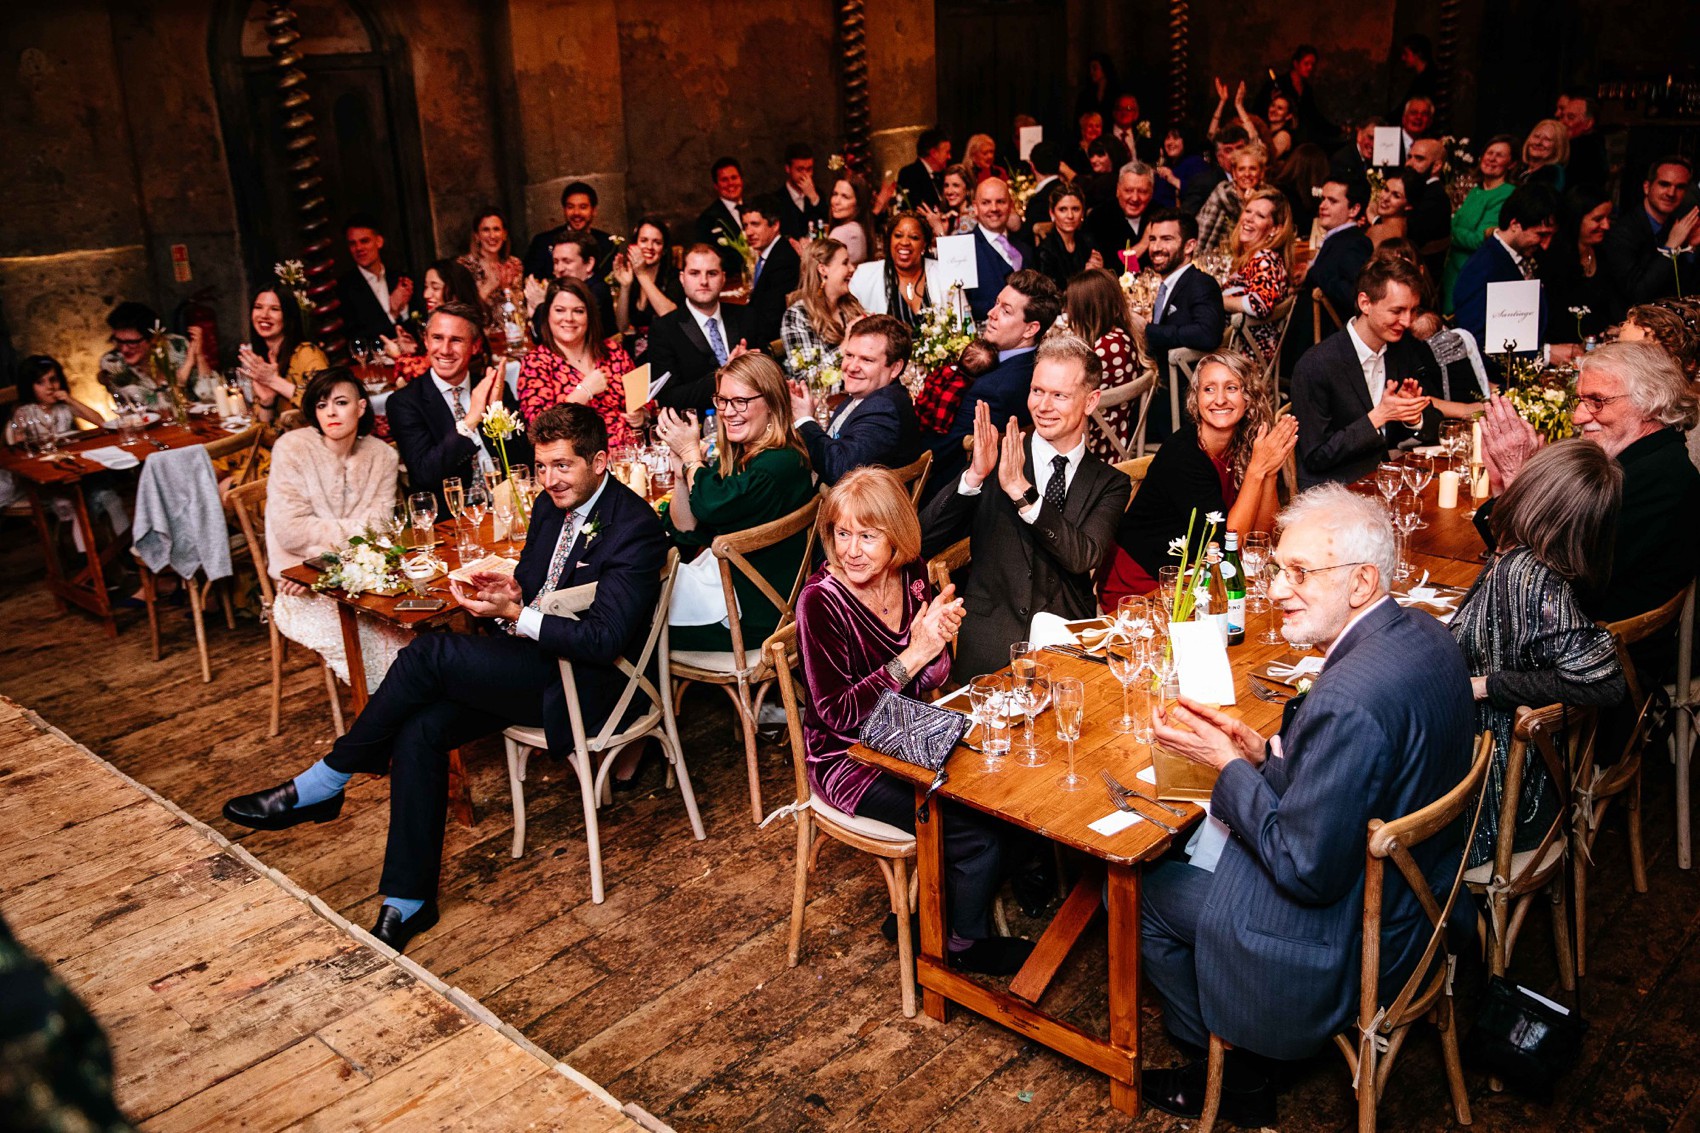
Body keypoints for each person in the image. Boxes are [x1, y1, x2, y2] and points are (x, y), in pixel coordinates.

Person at [222, 404, 669, 953]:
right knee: (420, 730)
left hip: (587, 686)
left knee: (430, 652)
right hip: (532, 665)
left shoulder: (636, 528)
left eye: (562, 466)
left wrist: (515, 616)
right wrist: (507, 597)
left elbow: (604, 640)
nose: (549, 479)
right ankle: (408, 901)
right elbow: (533, 580)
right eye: (542, 467)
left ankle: (329, 778)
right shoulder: (553, 506)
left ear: (600, 461)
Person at [1139, 485, 1474, 1125]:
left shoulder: (1348, 695)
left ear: (1361, 582)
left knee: (1143, 888)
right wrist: (1266, 758)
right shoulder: (1426, 637)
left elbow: (1305, 870)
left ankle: (1231, 1075)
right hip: (1427, 902)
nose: (1275, 591)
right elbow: (1368, 773)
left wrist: (1229, 769)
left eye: (1299, 574)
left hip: (1360, 937)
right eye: (1277, 571)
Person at [796, 467, 1033, 974]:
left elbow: (934, 675)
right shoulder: (820, 602)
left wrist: (935, 645)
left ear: (896, 537)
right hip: (847, 759)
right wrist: (913, 655)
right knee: (977, 836)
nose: (851, 550)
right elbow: (836, 715)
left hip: (911, 731)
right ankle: (959, 944)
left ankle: (925, 912)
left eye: (867, 535)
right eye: (842, 533)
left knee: (1015, 796)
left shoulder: (912, 574)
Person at [1450, 440, 1626, 869]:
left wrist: (1486, 686)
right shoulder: (1546, 562)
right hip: (1520, 782)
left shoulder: (1525, 576)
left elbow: (1606, 680)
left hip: (1485, 802)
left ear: (1535, 492)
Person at [919, 334, 1131, 680]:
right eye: (1037, 391)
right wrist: (973, 477)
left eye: (1059, 395)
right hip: (990, 646)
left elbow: (1083, 557)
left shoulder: (1109, 482)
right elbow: (924, 539)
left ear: (1090, 401)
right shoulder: (996, 457)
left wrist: (1021, 490)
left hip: (1069, 648)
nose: (1043, 407)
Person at [1477, 341, 1700, 624]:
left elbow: (1546, 582)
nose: (1578, 417)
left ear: (1651, 403)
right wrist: (1503, 485)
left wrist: (1520, 481)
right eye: (1580, 400)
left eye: (1598, 401)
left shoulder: (1658, 480)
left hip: (1599, 649)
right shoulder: (1634, 462)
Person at [1099, 351, 1294, 608]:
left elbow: (1259, 537)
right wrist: (1257, 469)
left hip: (1198, 576)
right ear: (1196, 399)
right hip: (1144, 584)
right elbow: (1228, 550)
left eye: (1232, 388)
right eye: (1209, 389)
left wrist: (1269, 471)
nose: (1220, 399)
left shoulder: (1242, 443)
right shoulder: (1183, 456)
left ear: (1248, 398)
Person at [652, 353, 816, 653]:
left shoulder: (779, 464)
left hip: (757, 617)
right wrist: (681, 472)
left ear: (772, 404)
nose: (728, 412)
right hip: (744, 596)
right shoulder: (744, 456)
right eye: (722, 401)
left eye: (740, 401)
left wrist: (692, 455)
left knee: (635, 625)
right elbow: (688, 529)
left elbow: (711, 506)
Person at [264, 368, 407, 690]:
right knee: (372, 646)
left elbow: (381, 530)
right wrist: (319, 565)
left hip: (368, 580)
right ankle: (383, 714)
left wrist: (327, 554)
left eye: (341, 402)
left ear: (361, 407)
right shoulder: (292, 448)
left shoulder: (382, 455)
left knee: (410, 634)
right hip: (303, 584)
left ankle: (406, 710)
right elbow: (290, 530)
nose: (330, 412)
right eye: (321, 404)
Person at [1290, 255, 1435, 487]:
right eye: (1397, 311)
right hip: (1335, 490)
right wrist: (1378, 417)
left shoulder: (1402, 350)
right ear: (1365, 303)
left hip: (1385, 479)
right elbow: (1316, 456)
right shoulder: (1316, 365)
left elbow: (1434, 422)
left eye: (1413, 310)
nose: (1407, 321)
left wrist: (1413, 417)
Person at [385, 301, 533, 515]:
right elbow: (425, 474)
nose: (445, 350)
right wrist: (471, 420)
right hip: (452, 521)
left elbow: (523, 463)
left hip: (509, 509)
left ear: (474, 346)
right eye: (437, 338)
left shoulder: (493, 387)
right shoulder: (405, 402)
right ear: (426, 341)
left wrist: (498, 416)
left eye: (456, 340)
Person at [924, 270, 1060, 495]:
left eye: (1005, 311)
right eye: (996, 303)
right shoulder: (1037, 363)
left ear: (1030, 328)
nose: (991, 313)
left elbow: (940, 452)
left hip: (957, 494)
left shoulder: (991, 390)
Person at [7, 356, 128, 551]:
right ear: (30, 386)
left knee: (110, 497)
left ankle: (126, 552)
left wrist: (70, 399)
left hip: (75, 469)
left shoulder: (64, 407)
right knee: (73, 505)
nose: (50, 387)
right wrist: (21, 435)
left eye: (53, 380)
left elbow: (100, 421)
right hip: (49, 475)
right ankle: (87, 560)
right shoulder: (25, 412)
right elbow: (16, 443)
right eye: (40, 383)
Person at [1127, 210, 1226, 437]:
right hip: (1164, 386)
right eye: (1152, 239)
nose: (1156, 247)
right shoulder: (1170, 284)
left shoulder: (1200, 283)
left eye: (1167, 239)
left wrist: (1147, 330)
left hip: (1177, 401)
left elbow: (1208, 333)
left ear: (1189, 246)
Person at [790, 314, 921, 486]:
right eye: (849, 355)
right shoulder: (867, 395)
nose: (851, 367)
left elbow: (839, 471)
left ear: (895, 368)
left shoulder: (884, 409)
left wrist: (804, 420)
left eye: (867, 359)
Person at [518, 278, 639, 448]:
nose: (569, 318)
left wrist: (642, 415)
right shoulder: (536, 362)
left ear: (589, 315)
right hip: (577, 462)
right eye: (560, 310)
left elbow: (642, 401)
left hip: (629, 455)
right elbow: (539, 429)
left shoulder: (612, 352)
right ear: (547, 314)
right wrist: (585, 391)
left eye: (578, 311)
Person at [1452, 185, 1557, 362]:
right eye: (1540, 234)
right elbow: (1475, 342)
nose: (1546, 245)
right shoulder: (1483, 267)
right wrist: (1544, 354)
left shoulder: (1523, 255)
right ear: (1515, 224)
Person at [648, 244, 750, 413]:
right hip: (699, 429)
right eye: (694, 273)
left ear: (723, 278)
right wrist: (724, 375)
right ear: (682, 278)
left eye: (712, 273)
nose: (703, 281)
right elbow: (667, 397)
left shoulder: (746, 317)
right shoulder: (664, 329)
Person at [1063, 267, 1146, 462]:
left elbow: (1072, 396)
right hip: (1116, 434)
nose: (1068, 313)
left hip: (1098, 446)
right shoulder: (1121, 335)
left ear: (1085, 310)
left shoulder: (1106, 348)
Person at [1598, 156, 1699, 313]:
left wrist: (1690, 247)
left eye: (1680, 187)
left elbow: (1683, 291)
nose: (1671, 193)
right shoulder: (1623, 231)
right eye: (1664, 184)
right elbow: (1638, 293)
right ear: (1647, 187)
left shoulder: (1676, 225)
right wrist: (1670, 248)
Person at [1290, 177, 1373, 358]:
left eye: (1332, 201)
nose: (1323, 206)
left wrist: (1313, 272)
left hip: (1324, 344)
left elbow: (1354, 295)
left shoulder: (1355, 243)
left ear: (1354, 209)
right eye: (1323, 199)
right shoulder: (1338, 238)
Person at [1221, 187, 1295, 369]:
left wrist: (1217, 299)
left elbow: (1259, 303)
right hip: (1238, 356)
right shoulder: (1258, 257)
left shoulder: (1264, 258)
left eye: (1260, 216)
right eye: (1248, 211)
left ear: (1275, 229)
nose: (1248, 218)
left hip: (1241, 363)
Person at [1442, 135, 1518, 312]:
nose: (1491, 158)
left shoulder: (1507, 193)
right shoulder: (1476, 190)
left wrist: (1451, 232)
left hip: (1472, 273)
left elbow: (1481, 238)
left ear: (1512, 164)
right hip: (1452, 272)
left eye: (1499, 155)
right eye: (1489, 152)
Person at [239, 288, 330, 428]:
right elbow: (263, 435)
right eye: (258, 307)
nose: (264, 315)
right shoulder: (262, 362)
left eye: (274, 309)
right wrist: (267, 402)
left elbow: (327, 404)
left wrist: (275, 381)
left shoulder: (307, 353)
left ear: (288, 316)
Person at [780, 237, 866, 379]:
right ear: (823, 269)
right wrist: (845, 346)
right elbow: (809, 380)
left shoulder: (850, 304)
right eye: (845, 263)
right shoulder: (797, 316)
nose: (852, 268)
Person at [849, 212, 949, 329]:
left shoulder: (942, 273)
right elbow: (849, 320)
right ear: (889, 240)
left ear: (924, 244)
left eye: (914, 237)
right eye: (898, 235)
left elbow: (962, 322)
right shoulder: (865, 275)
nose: (905, 242)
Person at [1544, 186, 1617, 345]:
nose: (1606, 226)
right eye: (1598, 219)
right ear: (1576, 218)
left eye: (1608, 218)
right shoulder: (1552, 259)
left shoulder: (1605, 252)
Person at [457, 207, 527, 359]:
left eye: (496, 229)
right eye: (486, 230)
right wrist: (490, 285)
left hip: (512, 339)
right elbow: (464, 311)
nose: (492, 235)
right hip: (481, 342)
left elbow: (520, 310)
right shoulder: (464, 266)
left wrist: (507, 289)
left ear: (504, 234)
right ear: (477, 236)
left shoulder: (513, 264)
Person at [96, 301, 193, 411]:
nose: (124, 349)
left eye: (132, 342)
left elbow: (208, 391)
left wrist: (198, 357)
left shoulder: (177, 345)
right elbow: (160, 408)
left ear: (153, 339)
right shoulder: (113, 363)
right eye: (118, 341)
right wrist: (184, 373)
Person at [610, 215, 682, 361]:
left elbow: (669, 316)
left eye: (657, 242)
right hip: (635, 352)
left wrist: (641, 274)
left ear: (664, 249)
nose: (649, 247)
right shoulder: (632, 276)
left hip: (667, 350)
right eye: (643, 241)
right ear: (634, 245)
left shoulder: (675, 277)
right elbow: (622, 327)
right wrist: (625, 286)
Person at [334, 214, 413, 344]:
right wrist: (392, 314)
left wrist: (403, 309)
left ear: (379, 242)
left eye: (364, 241)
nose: (359, 248)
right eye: (353, 243)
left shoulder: (401, 279)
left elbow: (418, 327)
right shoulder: (343, 288)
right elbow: (355, 339)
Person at [964, 178, 1033, 321]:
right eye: (986, 203)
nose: (994, 208)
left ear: (1010, 205)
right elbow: (957, 305)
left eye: (1000, 201)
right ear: (975, 207)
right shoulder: (962, 247)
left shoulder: (1024, 248)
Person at [522, 181, 614, 283]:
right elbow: (531, 280)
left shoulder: (607, 243)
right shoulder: (542, 241)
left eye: (583, 207)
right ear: (564, 210)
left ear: (594, 210)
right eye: (570, 207)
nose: (576, 213)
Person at [742, 194, 801, 347]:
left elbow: (772, 318)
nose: (748, 232)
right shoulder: (770, 253)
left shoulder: (783, 260)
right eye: (745, 225)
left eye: (755, 224)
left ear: (774, 225)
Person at [540, 232, 618, 341]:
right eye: (556, 262)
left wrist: (541, 304)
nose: (559, 269)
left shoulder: (596, 291)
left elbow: (546, 336)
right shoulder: (568, 290)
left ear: (589, 264)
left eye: (567, 261)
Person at [1197, 144, 1268, 255]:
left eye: (1253, 169)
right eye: (1241, 169)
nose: (1247, 174)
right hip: (1220, 260)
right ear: (1234, 174)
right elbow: (1202, 238)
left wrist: (1253, 202)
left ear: (1261, 173)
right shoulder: (1222, 196)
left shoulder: (1269, 198)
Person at [1088, 162, 1156, 273]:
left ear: (1151, 193)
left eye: (1142, 192)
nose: (1135, 198)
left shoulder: (1162, 216)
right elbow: (1107, 269)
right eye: (1128, 190)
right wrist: (1143, 244)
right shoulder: (1098, 218)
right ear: (1118, 190)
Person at [1034, 184, 1101, 289]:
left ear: (1082, 213)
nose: (1070, 216)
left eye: (1075, 209)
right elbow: (1050, 296)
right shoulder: (1045, 251)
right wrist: (1086, 277)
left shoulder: (1088, 241)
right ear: (1052, 213)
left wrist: (1099, 272)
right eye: (1063, 209)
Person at [694, 157, 747, 277]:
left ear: (741, 180)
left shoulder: (755, 209)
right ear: (716, 186)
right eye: (724, 180)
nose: (731, 184)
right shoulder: (707, 219)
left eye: (734, 178)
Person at [773, 143, 828, 239]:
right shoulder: (776, 200)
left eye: (809, 169)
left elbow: (826, 223)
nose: (805, 175)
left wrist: (814, 198)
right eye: (800, 169)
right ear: (788, 169)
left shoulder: (818, 195)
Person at [1559, 94, 1610, 196]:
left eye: (1571, 117)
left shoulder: (1582, 150)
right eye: (1562, 116)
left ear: (1588, 124)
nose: (1562, 122)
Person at [1153, 124, 1208, 211]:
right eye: (1167, 138)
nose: (1170, 142)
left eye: (1175, 138)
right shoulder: (1166, 165)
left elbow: (1201, 193)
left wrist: (1173, 180)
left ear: (1185, 141)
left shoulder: (1195, 162)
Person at [897, 127, 951, 213]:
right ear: (933, 153)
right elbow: (912, 208)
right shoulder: (909, 174)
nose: (949, 157)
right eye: (947, 152)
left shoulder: (943, 174)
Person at [826, 174, 876, 265]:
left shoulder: (842, 232)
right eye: (835, 194)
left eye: (845, 197)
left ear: (858, 204)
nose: (836, 201)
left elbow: (827, 274)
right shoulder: (860, 229)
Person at [1365, 167, 1416, 250]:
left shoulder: (1378, 232)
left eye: (1396, 196)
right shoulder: (1405, 228)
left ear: (1408, 205)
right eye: (1386, 189)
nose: (1385, 198)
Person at [1518, 120, 1570, 191]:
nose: (1539, 142)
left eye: (1547, 139)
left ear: (1558, 147)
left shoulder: (1554, 174)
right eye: (1536, 136)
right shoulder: (1518, 169)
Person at [1105, 94, 1152, 166]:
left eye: (1128, 109)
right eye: (1120, 108)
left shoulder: (1143, 137)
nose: (1124, 112)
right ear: (1114, 112)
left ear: (1136, 114)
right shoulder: (1105, 134)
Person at [1394, 33, 1437, 112]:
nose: (1403, 58)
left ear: (1417, 54)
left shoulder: (1427, 81)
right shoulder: (1420, 79)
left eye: (1406, 54)